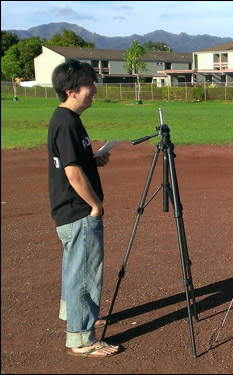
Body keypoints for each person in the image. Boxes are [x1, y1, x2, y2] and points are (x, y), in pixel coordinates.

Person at [48, 60, 121, 357]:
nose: (94, 89)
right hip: (78, 211)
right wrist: (95, 205)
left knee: (74, 268)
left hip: (70, 211)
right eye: (89, 84)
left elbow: (77, 161)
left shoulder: (68, 119)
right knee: (85, 273)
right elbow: (72, 173)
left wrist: (94, 159)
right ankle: (81, 339)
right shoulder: (66, 123)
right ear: (71, 90)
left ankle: (74, 316)